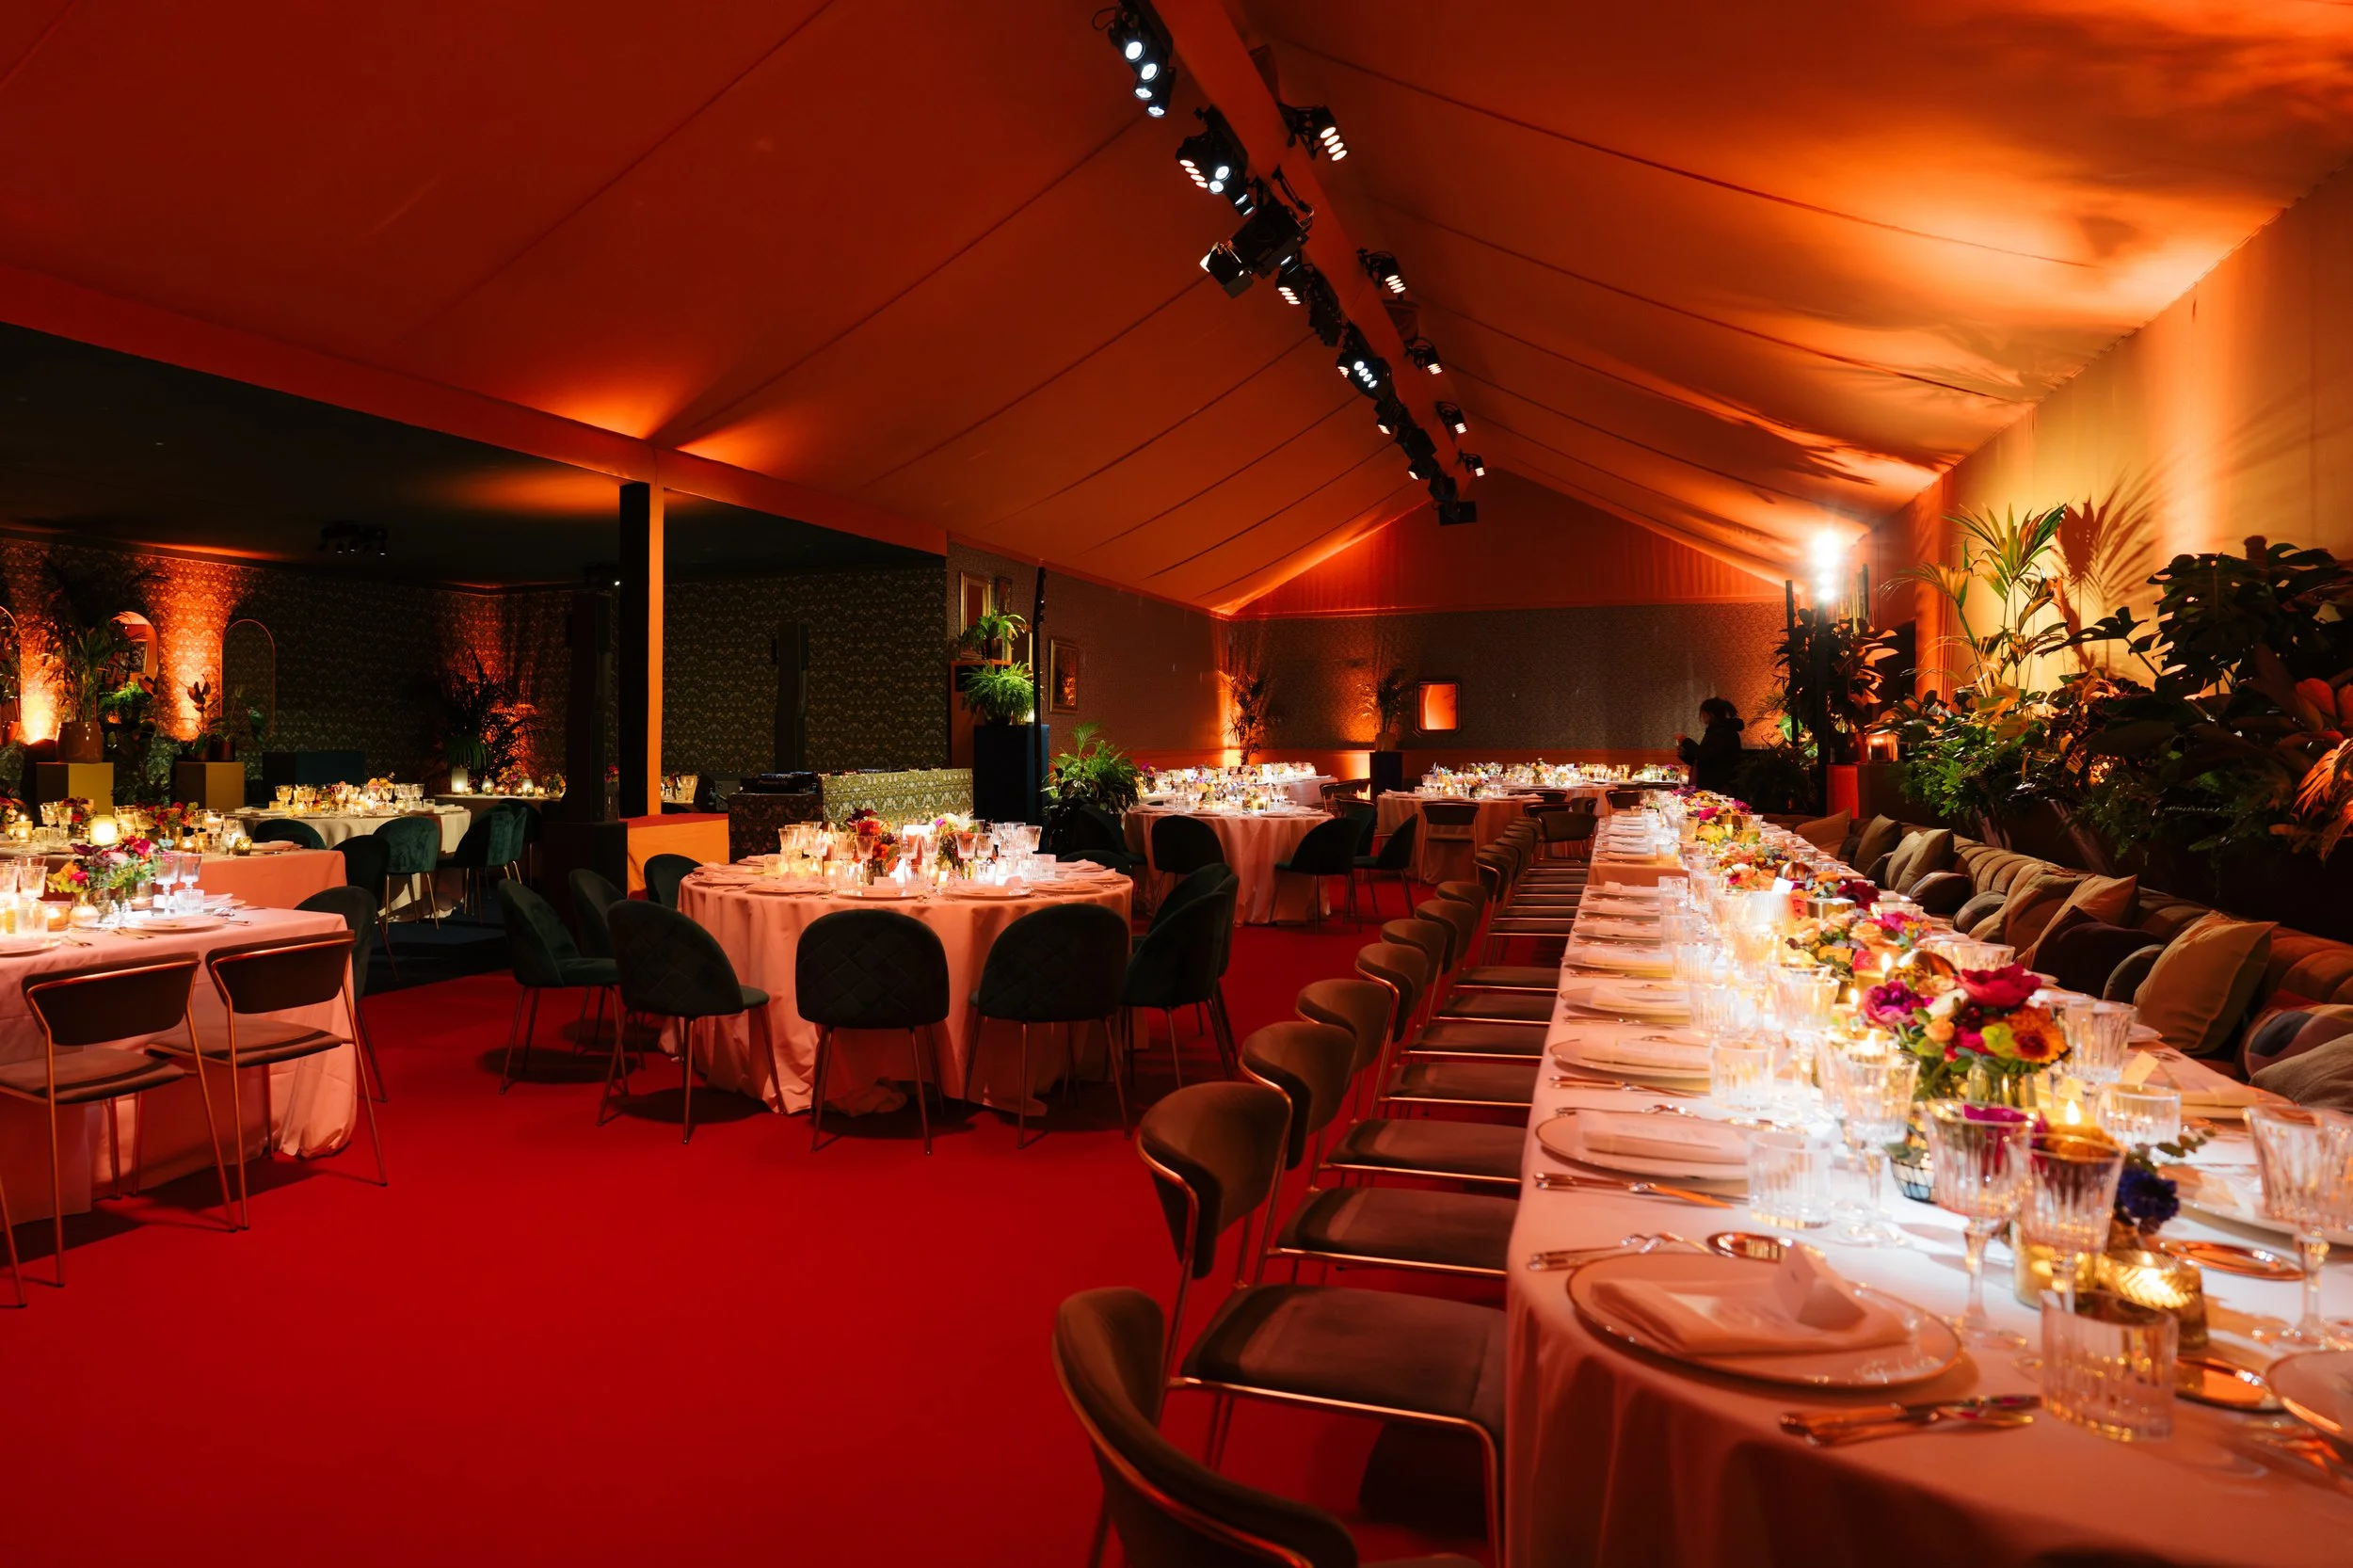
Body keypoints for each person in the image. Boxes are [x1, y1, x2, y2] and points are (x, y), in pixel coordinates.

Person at [1675, 697, 1746, 793]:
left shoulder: (1724, 733)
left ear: (1711, 714)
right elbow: (1704, 760)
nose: (1702, 717)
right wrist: (1685, 755)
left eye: (1703, 713)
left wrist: (1686, 741)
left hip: (1719, 785)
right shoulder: (1715, 731)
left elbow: (1705, 755)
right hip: (1712, 784)